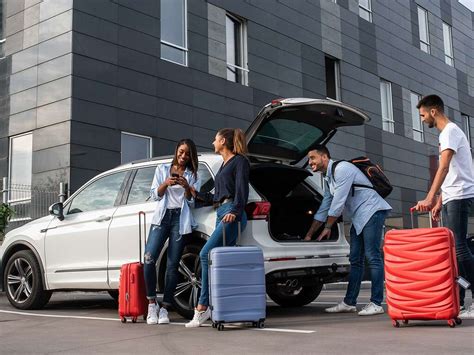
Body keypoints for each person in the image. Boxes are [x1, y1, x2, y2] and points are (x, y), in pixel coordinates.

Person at [304, 146, 392, 316]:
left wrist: (328, 227)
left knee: (372, 256)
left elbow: (338, 204)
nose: (310, 162)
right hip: (359, 216)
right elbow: (325, 206)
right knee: (355, 259)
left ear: (324, 157)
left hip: (372, 211)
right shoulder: (329, 178)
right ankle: (349, 302)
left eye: (312, 158)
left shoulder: (342, 169)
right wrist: (309, 234)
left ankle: (376, 303)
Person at [413, 94, 474, 319]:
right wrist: (440, 200)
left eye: (422, 115)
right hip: (451, 197)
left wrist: (429, 197)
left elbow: (445, 167)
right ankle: (458, 301)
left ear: (433, 111)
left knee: (459, 248)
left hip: (459, 196)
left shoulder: (450, 131)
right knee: (454, 251)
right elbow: (451, 173)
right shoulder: (446, 134)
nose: (421, 120)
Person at [185, 128, 250, 328]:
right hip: (222, 212)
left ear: (223, 141)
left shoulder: (240, 161)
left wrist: (236, 211)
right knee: (220, 263)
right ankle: (225, 308)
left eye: (215, 139)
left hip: (231, 213)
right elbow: (216, 196)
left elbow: (241, 189)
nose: (213, 142)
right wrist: (195, 193)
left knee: (206, 255)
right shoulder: (223, 165)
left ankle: (202, 307)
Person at [144, 139, 200, 325]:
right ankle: (152, 303)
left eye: (187, 154)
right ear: (176, 150)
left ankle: (165, 308)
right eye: (181, 152)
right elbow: (154, 195)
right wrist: (166, 183)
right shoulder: (162, 169)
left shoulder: (192, 175)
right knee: (149, 259)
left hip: (179, 220)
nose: (183, 157)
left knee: (172, 264)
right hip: (162, 218)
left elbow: (192, 202)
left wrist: (186, 187)